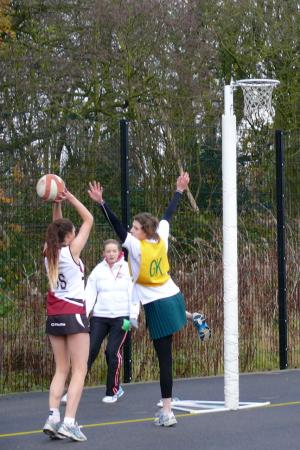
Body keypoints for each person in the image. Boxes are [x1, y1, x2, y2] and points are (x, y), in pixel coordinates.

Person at [88, 172, 205, 427]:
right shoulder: (160, 237)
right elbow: (168, 214)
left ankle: (167, 412)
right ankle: (192, 316)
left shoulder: (137, 246)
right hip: (174, 297)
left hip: (159, 306)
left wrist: (102, 203)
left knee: (164, 360)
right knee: (166, 358)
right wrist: (179, 190)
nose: (131, 230)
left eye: (135, 228)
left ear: (143, 232)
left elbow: (117, 227)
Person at [42, 189, 93, 442]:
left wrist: (56, 204)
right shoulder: (72, 252)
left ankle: (53, 417)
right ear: (70, 236)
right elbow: (89, 220)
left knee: (61, 369)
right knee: (80, 369)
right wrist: (70, 198)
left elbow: (55, 228)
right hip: (74, 314)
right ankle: (69, 422)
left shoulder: (48, 252)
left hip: (53, 315)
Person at [85, 238, 138, 403]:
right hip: (100, 317)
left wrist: (133, 316)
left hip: (123, 319)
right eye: (108, 251)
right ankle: (74, 389)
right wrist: (83, 314)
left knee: (112, 352)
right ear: (104, 254)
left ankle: (113, 391)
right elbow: (89, 294)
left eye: (114, 251)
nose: (111, 254)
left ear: (119, 252)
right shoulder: (98, 271)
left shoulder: (128, 268)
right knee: (90, 350)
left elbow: (134, 293)